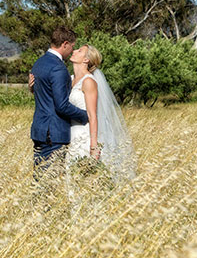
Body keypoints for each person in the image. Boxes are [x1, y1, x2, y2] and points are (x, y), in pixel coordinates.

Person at [31, 43, 136, 183]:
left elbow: (93, 116)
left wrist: (93, 147)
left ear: (86, 60)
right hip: (69, 136)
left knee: (81, 180)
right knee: (69, 179)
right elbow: (53, 99)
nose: (74, 51)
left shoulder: (88, 82)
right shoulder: (69, 79)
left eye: (79, 51)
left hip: (83, 136)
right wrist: (33, 88)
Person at [30, 26, 89, 179]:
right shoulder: (59, 68)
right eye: (72, 46)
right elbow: (61, 106)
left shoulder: (39, 63)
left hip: (39, 131)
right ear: (64, 44)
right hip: (53, 134)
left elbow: (43, 92)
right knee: (49, 183)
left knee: (40, 179)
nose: (72, 51)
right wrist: (85, 115)